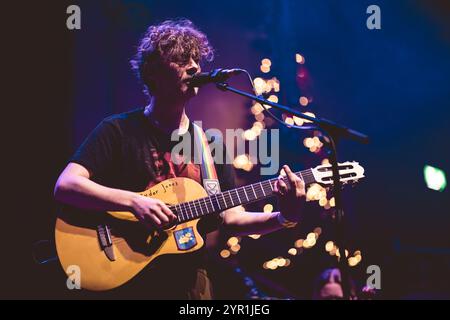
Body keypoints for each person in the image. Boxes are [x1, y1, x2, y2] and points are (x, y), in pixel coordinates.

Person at [54, 19, 306, 299]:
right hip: (128, 277)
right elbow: (66, 185)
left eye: (196, 59)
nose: (195, 67)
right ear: (154, 72)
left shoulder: (211, 145)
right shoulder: (118, 130)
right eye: (181, 59)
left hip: (189, 284)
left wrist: (285, 216)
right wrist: (134, 201)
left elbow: (231, 218)